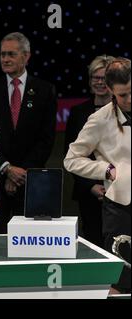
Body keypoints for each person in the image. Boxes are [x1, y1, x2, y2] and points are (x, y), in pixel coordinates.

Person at [0, 32, 57, 234]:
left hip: (32, 180)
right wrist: (6, 168)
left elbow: (46, 139)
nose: (5, 59)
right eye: (2, 54)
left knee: (31, 238)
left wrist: (21, 172)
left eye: (11, 54)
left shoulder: (45, 90)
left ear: (26, 56)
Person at [64, 57, 131, 294]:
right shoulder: (100, 119)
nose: (129, 100)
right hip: (121, 208)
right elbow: (71, 159)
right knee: (122, 281)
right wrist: (105, 170)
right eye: (123, 95)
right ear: (111, 91)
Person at [64, 55, 115, 247]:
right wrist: (91, 186)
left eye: (104, 77)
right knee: (94, 240)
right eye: (96, 77)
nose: (100, 82)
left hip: (120, 189)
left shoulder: (125, 111)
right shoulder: (78, 113)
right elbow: (71, 155)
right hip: (89, 192)